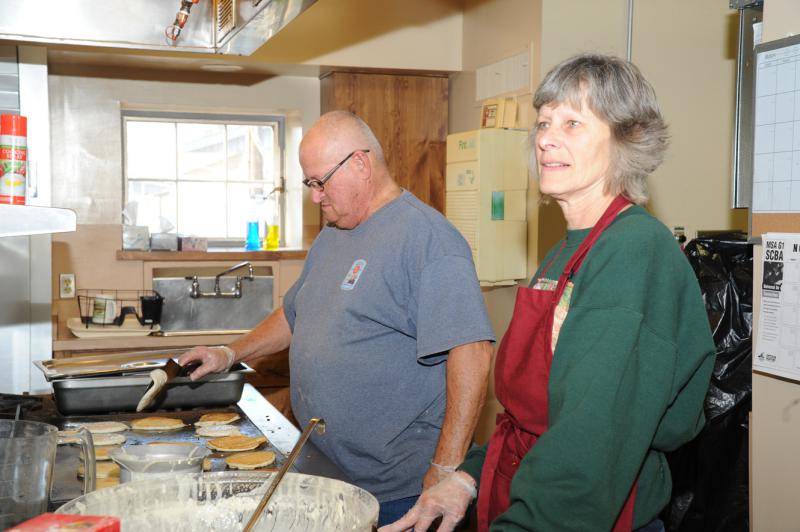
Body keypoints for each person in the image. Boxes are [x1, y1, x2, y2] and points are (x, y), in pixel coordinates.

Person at [381, 53, 715, 532]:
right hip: (525, 497)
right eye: (543, 122)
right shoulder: (565, 252)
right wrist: (468, 477)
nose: (546, 139)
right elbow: (527, 416)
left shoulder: (634, 251)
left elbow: (589, 445)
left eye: (573, 123)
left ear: (627, 139)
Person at [179, 110, 496, 526]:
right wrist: (228, 352)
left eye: (319, 182)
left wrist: (445, 470)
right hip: (329, 475)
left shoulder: (429, 240)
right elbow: (295, 315)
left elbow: (472, 352)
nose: (315, 196)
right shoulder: (334, 233)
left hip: (400, 492)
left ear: (360, 164)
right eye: (309, 184)